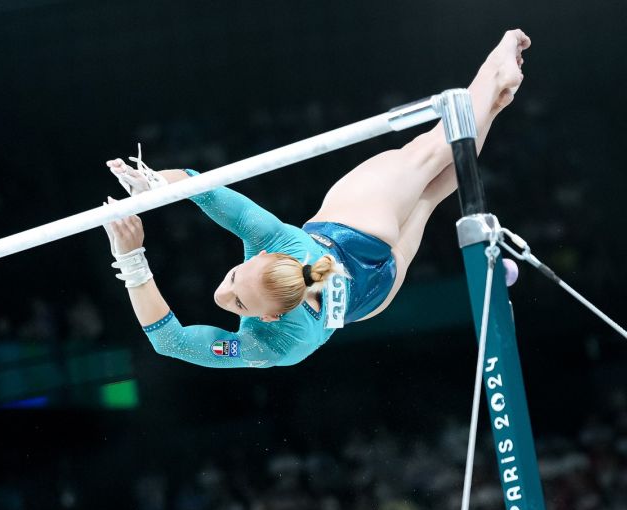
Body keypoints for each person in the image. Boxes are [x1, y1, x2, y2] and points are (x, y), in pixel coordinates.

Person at [102, 30, 531, 368]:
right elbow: (169, 338)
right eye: (239, 298)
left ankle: (494, 101)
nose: (223, 295)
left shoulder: (272, 277)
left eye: (234, 286)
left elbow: (201, 191)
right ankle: (495, 71)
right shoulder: (278, 341)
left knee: (436, 185)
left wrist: (149, 206)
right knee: (429, 153)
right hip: (362, 241)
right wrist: (146, 220)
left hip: (369, 296)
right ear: (270, 317)